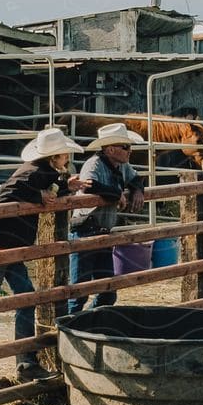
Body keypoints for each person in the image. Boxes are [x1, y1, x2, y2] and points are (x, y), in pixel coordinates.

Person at [0, 126, 80, 380]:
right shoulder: (31, 173)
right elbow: (10, 194)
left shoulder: (42, 173)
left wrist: (65, 187)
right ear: (54, 158)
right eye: (64, 156)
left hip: (11, 243)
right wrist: (39, 194)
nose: (67, 160)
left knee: (26, 297)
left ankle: (25, 362)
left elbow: (47, 191)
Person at [66, 121, 147, 313]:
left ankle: (87, 322)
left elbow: (136, 178)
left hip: (102, 233)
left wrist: (137, 190)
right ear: (110, 149)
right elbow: (89, 185)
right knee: (79, 292)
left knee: (108, 292)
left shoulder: (121, 166)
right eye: (125, 147)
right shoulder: (93, 164)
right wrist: (116, 194)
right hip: (85, 231)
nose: (129, 151)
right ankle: (70, 329)